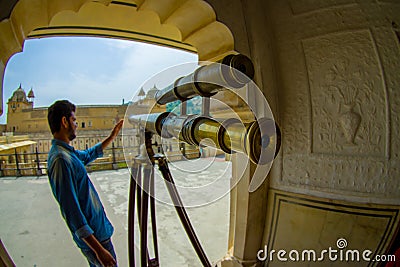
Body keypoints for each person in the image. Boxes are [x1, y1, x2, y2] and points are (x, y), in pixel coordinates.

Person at [47, 100, 123, 267]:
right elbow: (72, 212)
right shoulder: (61, 160)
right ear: (64, 121)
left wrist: (112, 137)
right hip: (95, 239)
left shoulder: (67, 154)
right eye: (74, 120)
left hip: (98, 233)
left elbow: (88, 155)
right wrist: (98, 250)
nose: (76, 125)